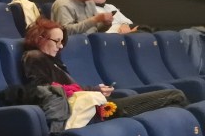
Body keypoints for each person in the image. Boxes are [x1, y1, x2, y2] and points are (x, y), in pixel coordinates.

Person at [21, 18, 188, 120]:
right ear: (40, 38)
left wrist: (95, 90)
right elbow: (46, 91)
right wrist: (92, 90)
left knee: (174, 106)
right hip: (92, 112)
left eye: (62, 41)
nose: (60, 46)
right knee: (175, 96)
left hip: (94, 107)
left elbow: (69, 89)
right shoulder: (35, 57)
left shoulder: (53, 60)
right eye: (56, 41)